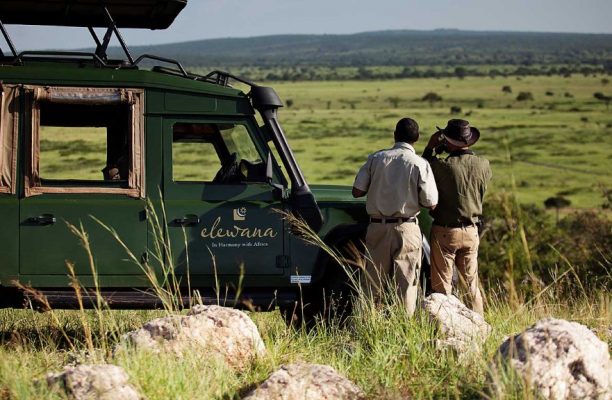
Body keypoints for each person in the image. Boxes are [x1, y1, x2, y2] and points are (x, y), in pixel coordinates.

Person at [352, 118, 438, 315]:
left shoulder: (376, 158)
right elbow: (431, 202)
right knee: (407, 284)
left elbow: (357, 191)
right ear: (416, 138)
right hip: (407, 228)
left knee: (372, 283)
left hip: (377, 227)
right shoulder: (420, 164)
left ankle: (368, 325)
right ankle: (403, 329)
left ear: (395, 135)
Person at [422, 119, 492, 315]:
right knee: (471, 286)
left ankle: (446, 328)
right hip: (472, 231)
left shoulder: (443, 166)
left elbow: (423, 168)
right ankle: (478, 324)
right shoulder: (484, 164)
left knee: (442, 288)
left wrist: (431, 146)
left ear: (450, 142)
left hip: (446, 231)